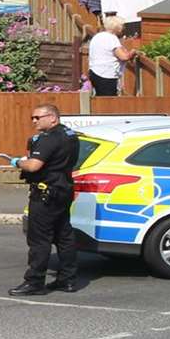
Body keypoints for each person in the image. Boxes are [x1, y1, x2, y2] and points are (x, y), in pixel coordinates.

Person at [8, 103, 81, 296]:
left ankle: (34, 282)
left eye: (37, 117)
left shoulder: (49, 139)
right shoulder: (70, 135)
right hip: (64, 189)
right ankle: (68, 280)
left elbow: (33, 166)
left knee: (39, 239)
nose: (34, 121)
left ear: (52, 118)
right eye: (32, 118)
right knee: (64, 235)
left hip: (46, 193)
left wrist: (17, 162)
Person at [87, 16, 135, 97]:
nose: (123, 29)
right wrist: (133, 52)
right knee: (108, 101)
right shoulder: (112, 38)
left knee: (99, 98)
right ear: (117, 27)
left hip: (94, 71)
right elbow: (124, 57)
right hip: (106, 74)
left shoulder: (98, 36)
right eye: (122, 26)